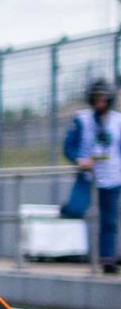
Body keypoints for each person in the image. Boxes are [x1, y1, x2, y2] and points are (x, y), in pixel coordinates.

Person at [63, 80, 120, 275]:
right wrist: (78, 160)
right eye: (96, 97)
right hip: (87, 175)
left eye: (103, 97)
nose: (99, 101)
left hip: (111, 177)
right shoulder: (81, 119)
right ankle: (65, 210)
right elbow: (68, 147)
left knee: (109, 220)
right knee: (75, 209)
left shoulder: (117, 121)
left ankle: (107, 259)